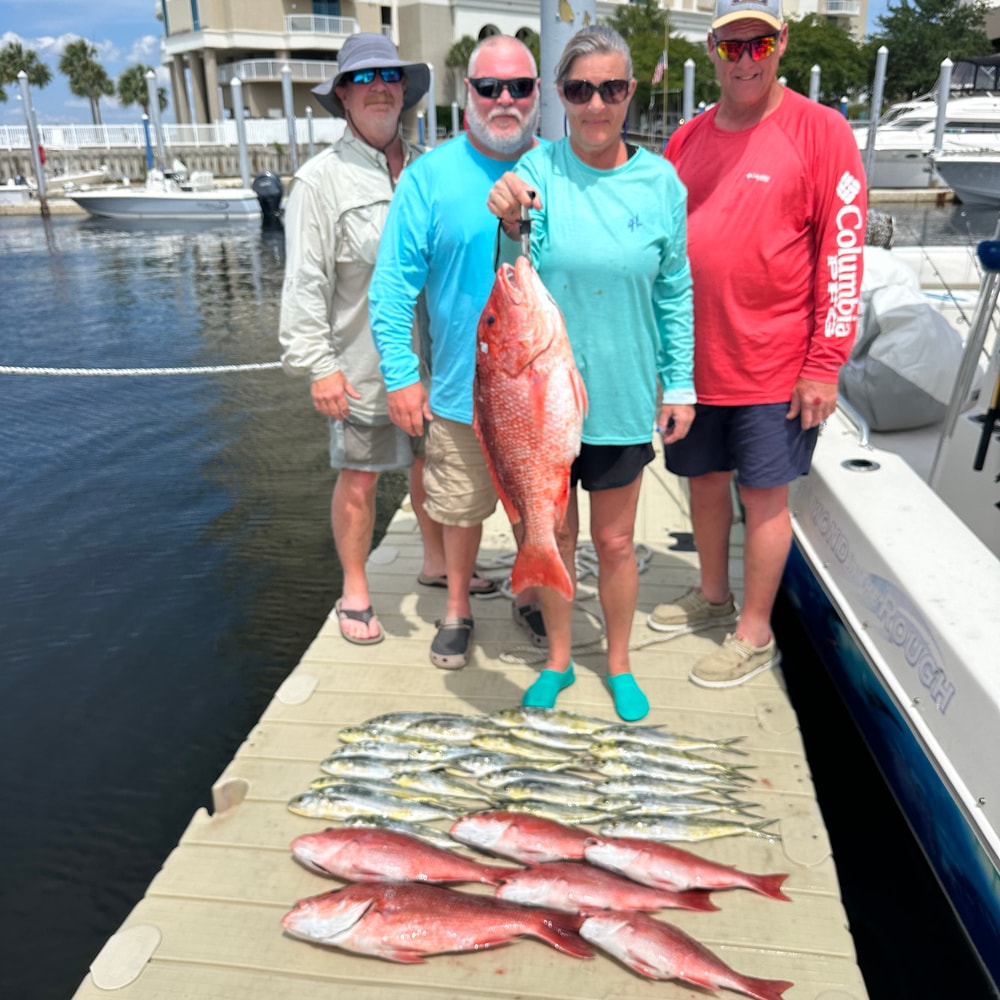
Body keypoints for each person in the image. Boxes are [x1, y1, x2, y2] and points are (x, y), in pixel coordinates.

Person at [650, 0, 866, 687]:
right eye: (731, 46)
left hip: (776, 362)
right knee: (704, 482)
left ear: (782, 43)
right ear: (711, 49)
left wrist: (823, 366)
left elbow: (843, 253)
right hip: (694, 360)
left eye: (759, 44)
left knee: (765, 497)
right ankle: (713, 596)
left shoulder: (823, 130)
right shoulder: (685, 139)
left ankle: (754, 629)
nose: (745, 60)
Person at [486, 25, 695, 720]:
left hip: (623, 391)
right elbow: (513, 258)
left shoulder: (660, 180)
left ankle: (619, 662)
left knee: (611, 541)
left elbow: (675, 289)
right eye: (580, 90)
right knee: (555, 535)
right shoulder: (540, 171)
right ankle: (555, 659)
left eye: (610, 88)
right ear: (561, 96)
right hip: (542, 400)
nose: (596, 104)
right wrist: (507, 213)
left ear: (631, 92)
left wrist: (682, 383)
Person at [370, 35, 544, 669]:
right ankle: (457, 609)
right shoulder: (427, 177)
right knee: (459, 504)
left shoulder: (556, 168)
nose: (504, 99)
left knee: (536, 503)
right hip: (456, 389)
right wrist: (398, 376)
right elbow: (391, 288)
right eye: (489, 87)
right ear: (466, 94)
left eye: (519, 87)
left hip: (537, 389)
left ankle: (531, 595)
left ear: (537, 95)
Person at [279, 33, 452, 646]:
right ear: (344, 97)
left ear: (403, 89)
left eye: (389, 74)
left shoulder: (434, 168)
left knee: (433, 465)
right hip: (361, 365)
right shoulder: (318, 181)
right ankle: (355, 588)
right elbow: (303, 284)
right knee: (360, 476)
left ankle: (437, 564)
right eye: (362, 77)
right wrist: (319, 367)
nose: (378, 86)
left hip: (437, 364)